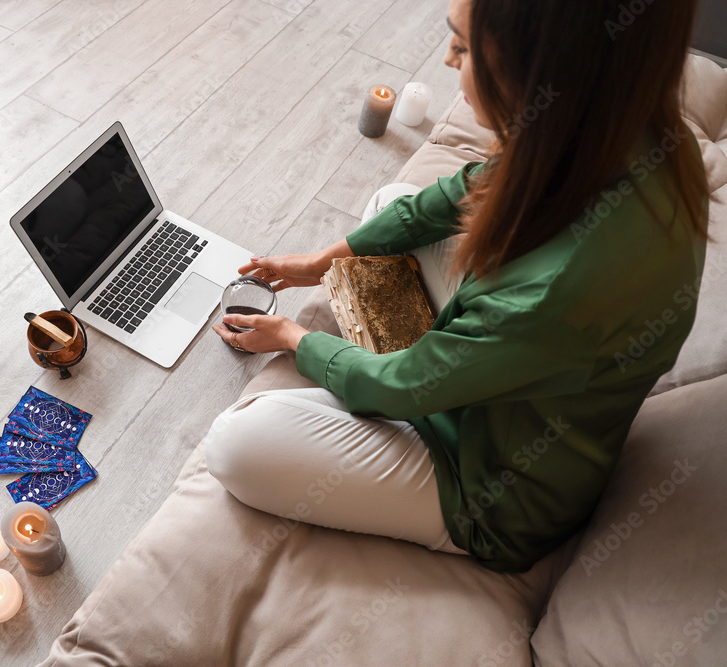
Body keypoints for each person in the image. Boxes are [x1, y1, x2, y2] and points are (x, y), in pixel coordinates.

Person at [206, 0, 710, 572]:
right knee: (392, 209)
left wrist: (294, 338)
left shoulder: (558, 292)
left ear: (542, 74)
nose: (447, 58)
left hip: (486, 482)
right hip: (510, 371)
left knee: (236, 441)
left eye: (465, 47)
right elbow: (457, 195)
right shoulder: (619, 130)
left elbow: (401, 388)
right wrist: (322, 260)